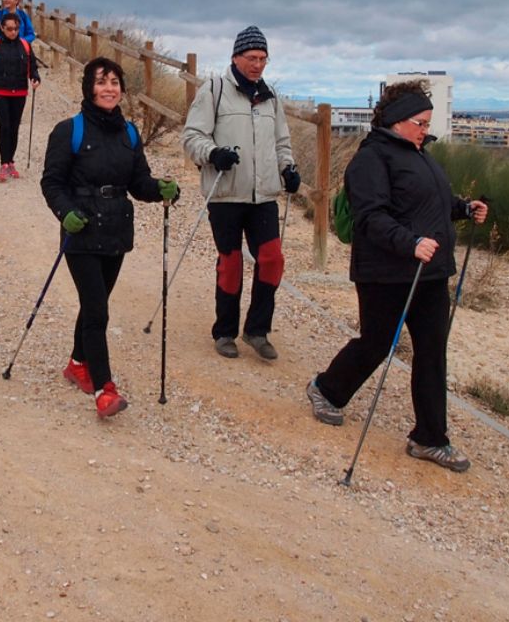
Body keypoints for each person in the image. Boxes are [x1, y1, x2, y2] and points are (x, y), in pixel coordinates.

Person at [305, 80, 488, 473]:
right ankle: (326, 390)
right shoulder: (371, 160)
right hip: (386, 272)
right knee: (376, 344)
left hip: (430, 272)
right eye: (419, 123)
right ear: (396, 120)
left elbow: (428, 204)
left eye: (427, 122)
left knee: (432, 352)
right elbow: (372, 218)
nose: (425, 130)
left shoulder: (420, 154)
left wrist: (463, 208)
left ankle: (429, 439)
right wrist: (410, 243)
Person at [41, 57, 179, 418]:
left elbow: (138, 183)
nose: (109, 88)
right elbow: (52, 183)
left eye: (115, 82)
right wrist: (65, 212)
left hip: (116, 232)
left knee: (93, 304)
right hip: (81, 231)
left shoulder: (129, 133)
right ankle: (105, 389)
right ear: (89, 88)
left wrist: (160, 189)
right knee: (98, 309)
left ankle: (76, 364)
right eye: (101, 82)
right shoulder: (68, 130)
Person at [182, 26, 300, 361]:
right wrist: (213, 153)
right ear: (235, 57)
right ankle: (225, 332)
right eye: (252, 58)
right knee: (231, 264)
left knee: (272, 260)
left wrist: (287, 169)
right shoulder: (214, 90)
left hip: (264, 195)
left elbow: (281, 143)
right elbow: (192, 135)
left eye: (263, 59)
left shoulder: (271, 97)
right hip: (226, 193)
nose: (258, 65)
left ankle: (257, 330)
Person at [0, 12, 40, 180]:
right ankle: (3, 164)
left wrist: (35, 78)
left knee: (14, 128)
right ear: (2, 28)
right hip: (0, 93)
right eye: (9, 29)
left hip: (20, 92)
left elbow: (33, 66)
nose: (13, 32)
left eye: (16, 29)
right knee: (5, 127)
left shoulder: (25, 46)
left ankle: (10, 161)